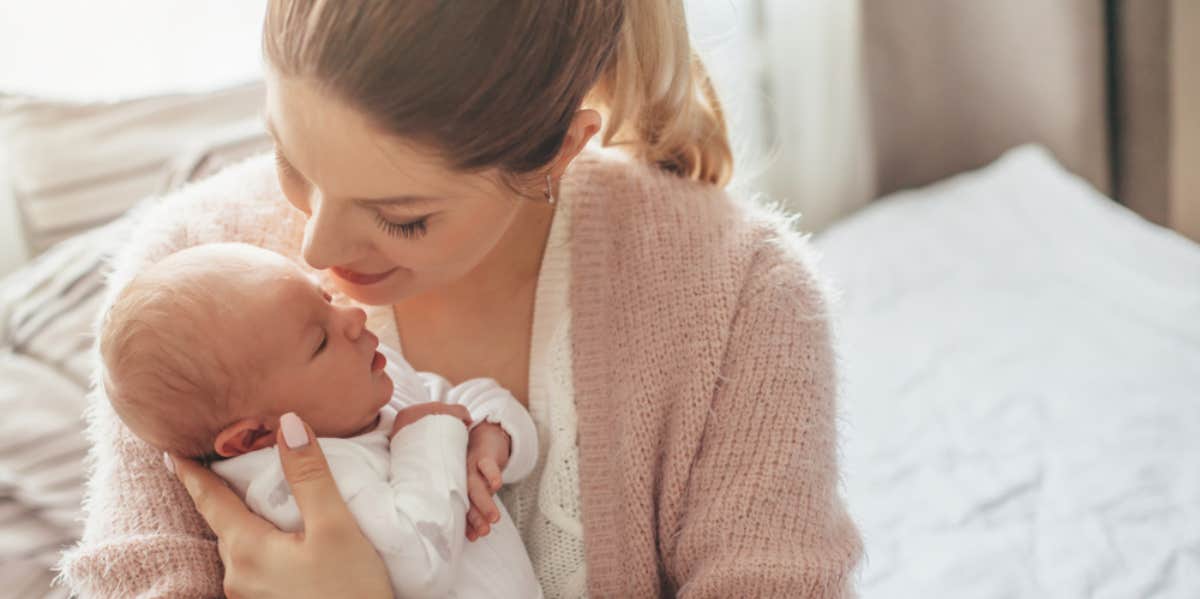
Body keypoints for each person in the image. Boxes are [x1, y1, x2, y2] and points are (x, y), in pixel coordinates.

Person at [59, 2, 863, 597]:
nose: (317, 252)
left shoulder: (741, 298)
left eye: (402, 216)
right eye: (290, 158)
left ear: (558, 151)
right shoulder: (182, 286)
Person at [97, 242, 543, 598]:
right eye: (319, 343)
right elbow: (420, 566)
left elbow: (458, 399)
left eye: (326, 298)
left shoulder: (367, 387)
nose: (352, 317)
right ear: (255, 434)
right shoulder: (294, 486)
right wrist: (428, 435)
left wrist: (491, 433)